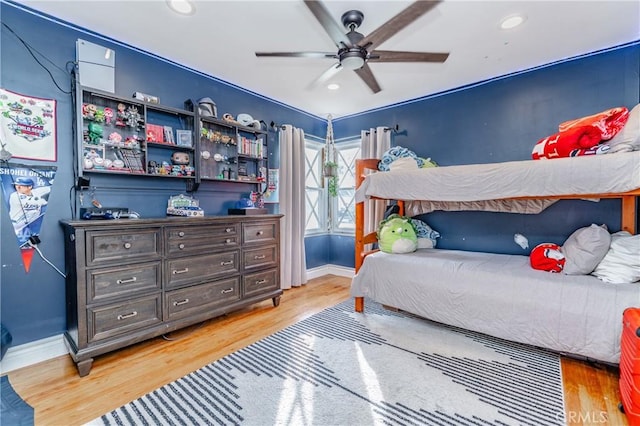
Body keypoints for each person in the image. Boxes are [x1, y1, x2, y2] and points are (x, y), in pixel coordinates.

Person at [8, 177, 50, 244]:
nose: (17, 187)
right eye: (16, 185)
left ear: (30, 187)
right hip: (16, 226)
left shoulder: (36, 192)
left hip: (30, 226)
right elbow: (32, 202)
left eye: (21, 185)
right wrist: (44, 201)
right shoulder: (14, 196)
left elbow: (49, 188)